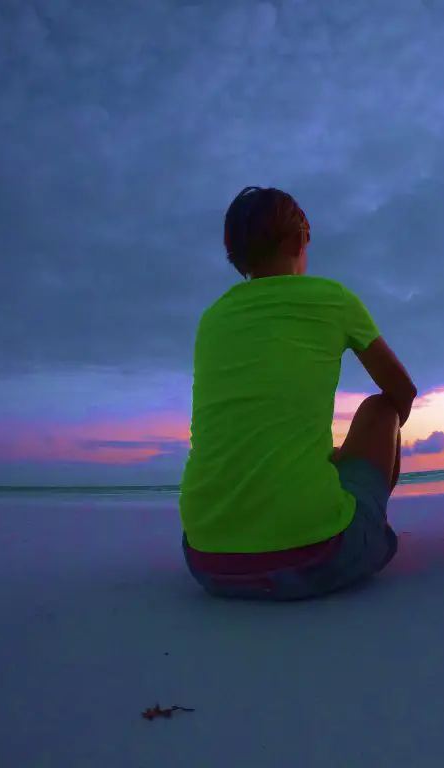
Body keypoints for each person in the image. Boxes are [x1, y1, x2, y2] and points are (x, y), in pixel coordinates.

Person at [179, 186, 417, 599]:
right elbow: (402, 391)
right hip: (317, 557)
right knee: (381, 408)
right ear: (296, 239)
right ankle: (366, 528)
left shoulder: (212, 318)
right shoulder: (333, 299)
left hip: (206, 559)